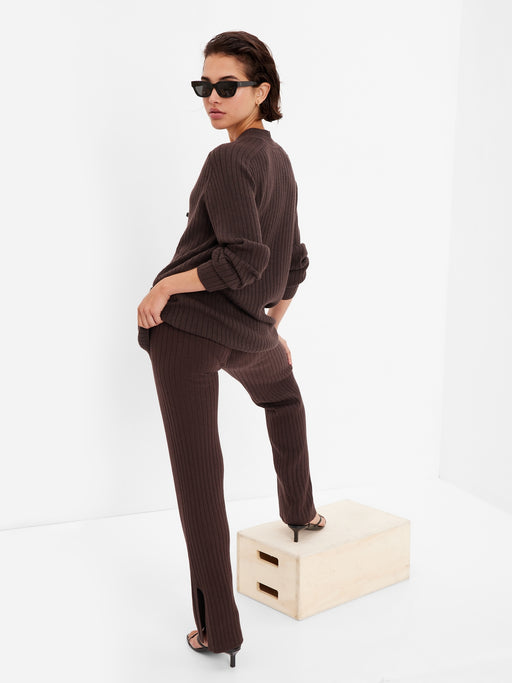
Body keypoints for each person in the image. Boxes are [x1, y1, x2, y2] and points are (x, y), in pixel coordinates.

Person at [136, 30, 326, 669]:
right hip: (246, 331)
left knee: (200, 483)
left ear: (261, 91)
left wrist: (165, 286)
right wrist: (271, 322)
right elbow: (292, 260)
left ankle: (219, 630)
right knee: (284, 399)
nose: (212, 98)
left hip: (188, 330)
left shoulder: (226, 162)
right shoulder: (280, 161)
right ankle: (300, 511)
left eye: (226, 86)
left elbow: (244, 258)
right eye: (203, 86)